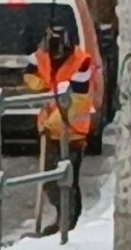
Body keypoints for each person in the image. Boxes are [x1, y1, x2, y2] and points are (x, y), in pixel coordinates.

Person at [23, 24, 95, 235]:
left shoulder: (82, 62)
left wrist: (51, 123)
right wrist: (41, 85)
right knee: (48, 179)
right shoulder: (40, 57)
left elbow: (78, 100)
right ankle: (63, 219)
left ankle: (68, 224)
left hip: (73, 131)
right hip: (50, 130)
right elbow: (31, 77)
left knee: (67, 180)